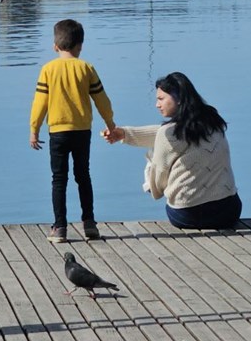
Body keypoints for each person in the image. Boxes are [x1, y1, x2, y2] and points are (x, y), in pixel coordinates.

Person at [102, 72, 242, 229]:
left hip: (188, 215)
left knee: (154, 153)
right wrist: (125, 134)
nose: (157, 104)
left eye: (161, 99)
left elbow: (158, 184)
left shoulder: (168, 133)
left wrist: (151, 182)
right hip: (229, 212)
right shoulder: (212, 120)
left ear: (179, 98)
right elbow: (170, 135)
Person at [29, 19, 115, 243]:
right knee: (83, 176)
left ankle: (59, 228)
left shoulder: (48, 69)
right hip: (82, 131)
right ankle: (89, 224)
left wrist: (34, 129)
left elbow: (40, 103)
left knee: (59, 179)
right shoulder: (86, 68)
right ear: (80, 46)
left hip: (57, 132)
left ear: (55, 46)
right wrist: (110, 123)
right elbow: (101, 100)